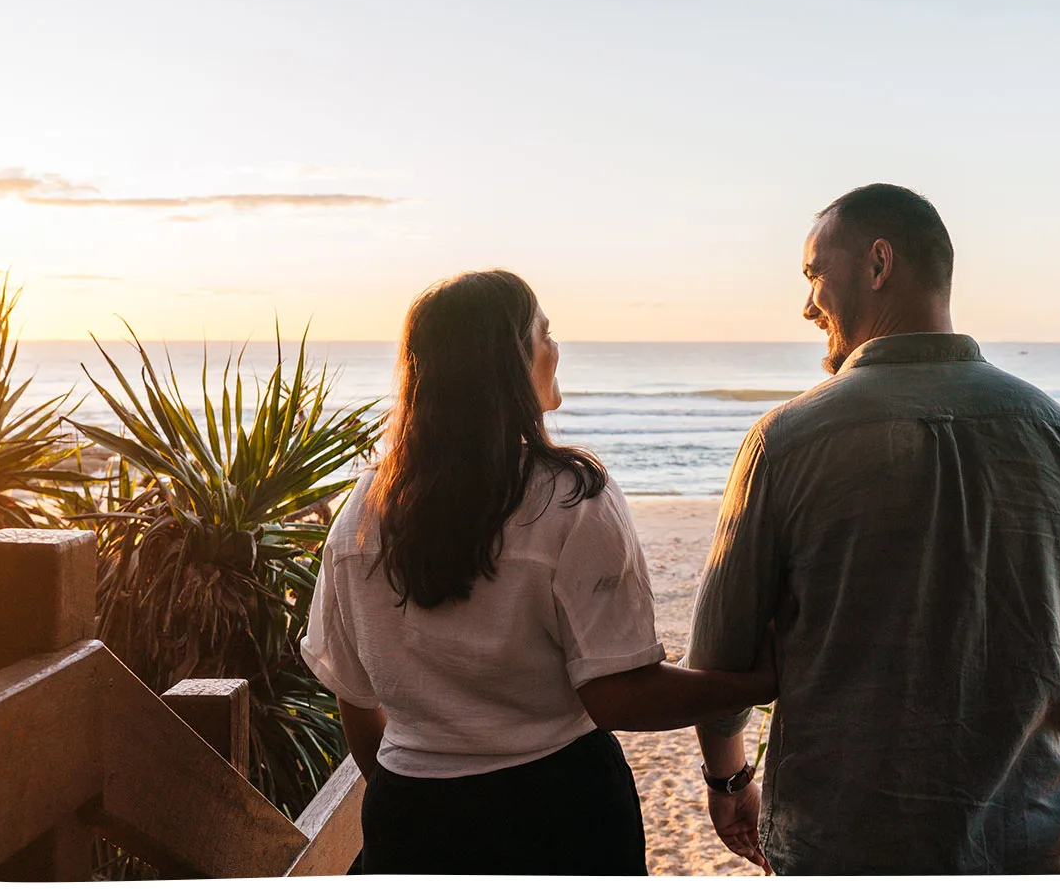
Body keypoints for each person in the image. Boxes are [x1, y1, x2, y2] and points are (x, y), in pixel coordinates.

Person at [685, 183, 1060, 875]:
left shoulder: (786, 443)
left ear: (878, 263)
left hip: (840, 852)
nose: (806, 305)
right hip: (1022, 849)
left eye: (813, 275)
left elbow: (721, 667)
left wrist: (730, 779)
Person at [300, 269, 775, 875]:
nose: (555, 349)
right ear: (508, 362)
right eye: (543, 334)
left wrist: (427, 792)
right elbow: (618, 696)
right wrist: (756, 684)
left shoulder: (362, 509)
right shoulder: (571, 499)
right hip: (557, 810)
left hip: (409, 813)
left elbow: (354, 694)